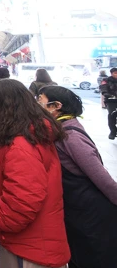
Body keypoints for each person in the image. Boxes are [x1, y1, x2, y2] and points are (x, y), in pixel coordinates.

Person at [0, 79, 69, 268]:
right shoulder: (31, 132)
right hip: (36, 240)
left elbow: (22, 201)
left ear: (5, 106)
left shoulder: (21, 145)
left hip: (30, 247)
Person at [38, 86, 117, 268]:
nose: (37, 104)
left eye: (40, 99)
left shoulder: (70, 135)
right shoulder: (60, 129)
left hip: (92, 215)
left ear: (56, 105)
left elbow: (100, 175)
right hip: (78, 212)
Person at [99, 67, 117, 139]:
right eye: (115, 73)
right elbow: (103, 88)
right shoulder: (106, 80)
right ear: (111, 74)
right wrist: (107, 94)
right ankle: (112, 131)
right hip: (111, 100)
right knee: (112, 114)